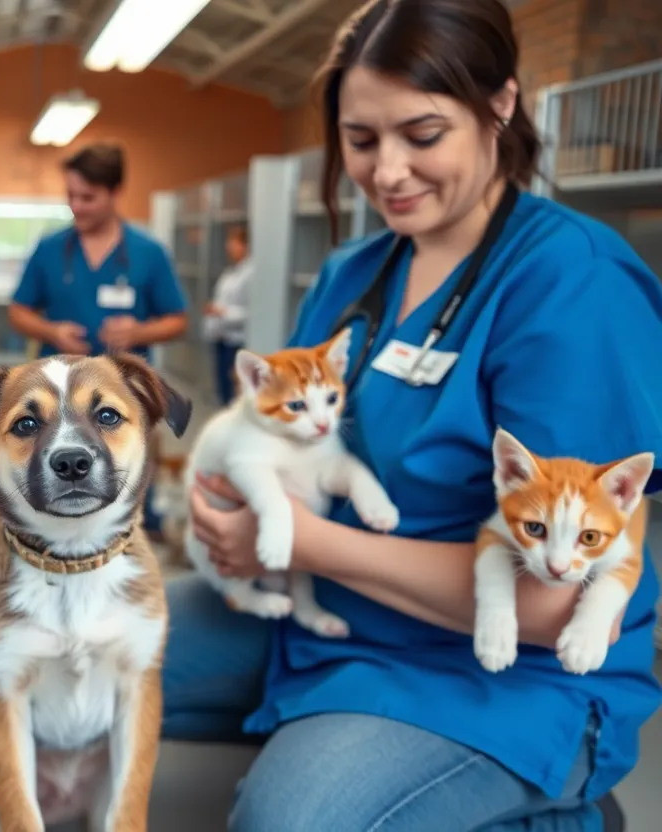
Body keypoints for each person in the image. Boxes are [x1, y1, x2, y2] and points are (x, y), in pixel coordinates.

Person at [161, 1, 662, 830]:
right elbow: (282, 432)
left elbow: (552, 607)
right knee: (54, 657)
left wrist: (301, 539)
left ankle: (556, 809)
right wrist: (230, 508)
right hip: (328, 614)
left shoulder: (573, 285)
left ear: (500, 104)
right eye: (361, 141)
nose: (387, 171)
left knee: (291, 822)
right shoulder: (353, 275)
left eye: (421, 136)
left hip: (500, 672)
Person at [7, 142, 189, 537]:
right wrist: (50, 331)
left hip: (121, 390)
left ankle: (142, 524)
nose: (77, 206)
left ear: (115, 193)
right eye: (71, 196)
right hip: (55, 387)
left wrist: (138, 332)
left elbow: (178, 320)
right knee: (61, 460)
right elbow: (18, 310)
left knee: (133, 461)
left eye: (87, 197)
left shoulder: (148, 253)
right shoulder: (51, 249)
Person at [202, 224, 253, 405]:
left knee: (235, 390)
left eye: (233, 243)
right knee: (223, 389)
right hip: (221, 338)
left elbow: (252, 312)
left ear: (245, 246)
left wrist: (222, 312)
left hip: (237, 341)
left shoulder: (251, 274)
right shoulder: (230, 273)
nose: (229, 248)